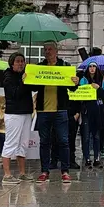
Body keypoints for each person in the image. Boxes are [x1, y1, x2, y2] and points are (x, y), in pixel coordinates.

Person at [31, 41, 73, 183]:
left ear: (56, 51)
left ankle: (65, 171)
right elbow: (33, 87)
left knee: (63, 141)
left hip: (60, 110)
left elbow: (73, 88)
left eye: (50, 49)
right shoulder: (39, 67)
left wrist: (76, 81)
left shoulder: (64, 67)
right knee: (44, 142)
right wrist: (27, 79)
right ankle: (44, 171)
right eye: (45, 49)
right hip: (43, 110)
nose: (47, 52)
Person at [1, 52, 35, 184]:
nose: (21, 64)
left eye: (22, 61)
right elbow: (15, 94)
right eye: (18, 61)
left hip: (26, 112)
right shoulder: (8, 77)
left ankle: (22, 173)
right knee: (11, 142)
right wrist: (23, 82)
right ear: (12, 63)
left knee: (23, 143)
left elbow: (33, 88)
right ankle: (7, 174)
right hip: (14, 113)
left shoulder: (24, 75)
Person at [78, 62, 104, 168]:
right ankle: (87, 158)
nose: (92, 68)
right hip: (86, 112)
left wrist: (98, 88)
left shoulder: (101, 80)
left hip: (97, 112)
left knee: (96, 136)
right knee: (86, 136)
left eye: (94, 66)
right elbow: (79, 94)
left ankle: (96, 158)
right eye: (90, 66)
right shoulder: (83, 80)